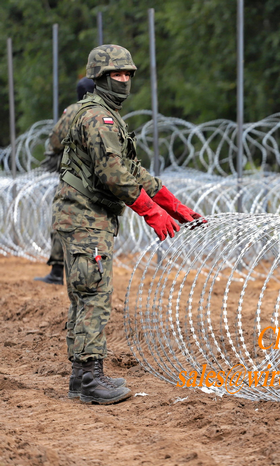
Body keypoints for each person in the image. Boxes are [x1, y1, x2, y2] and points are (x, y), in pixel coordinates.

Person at [53, 44, 204, 405]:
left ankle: (81, 376)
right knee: (93, 295)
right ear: (99, 78)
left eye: (127, 74)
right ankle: (90, 378)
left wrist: (175, 206)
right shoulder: (98, 119)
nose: (123, 80)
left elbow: (133, 170)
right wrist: (151, 213)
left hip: (88, 217)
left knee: (86, 293)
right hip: (85, 218)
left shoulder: (106, 115)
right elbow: (115, 176)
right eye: (115, 74)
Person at [35, 77, 96, 286]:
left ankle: (57, 271)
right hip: (101, 178)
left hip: (74, 177)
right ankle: (93, 272)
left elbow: (54, 140)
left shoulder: (73, 111)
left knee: (63, 220)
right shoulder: (107, 110)